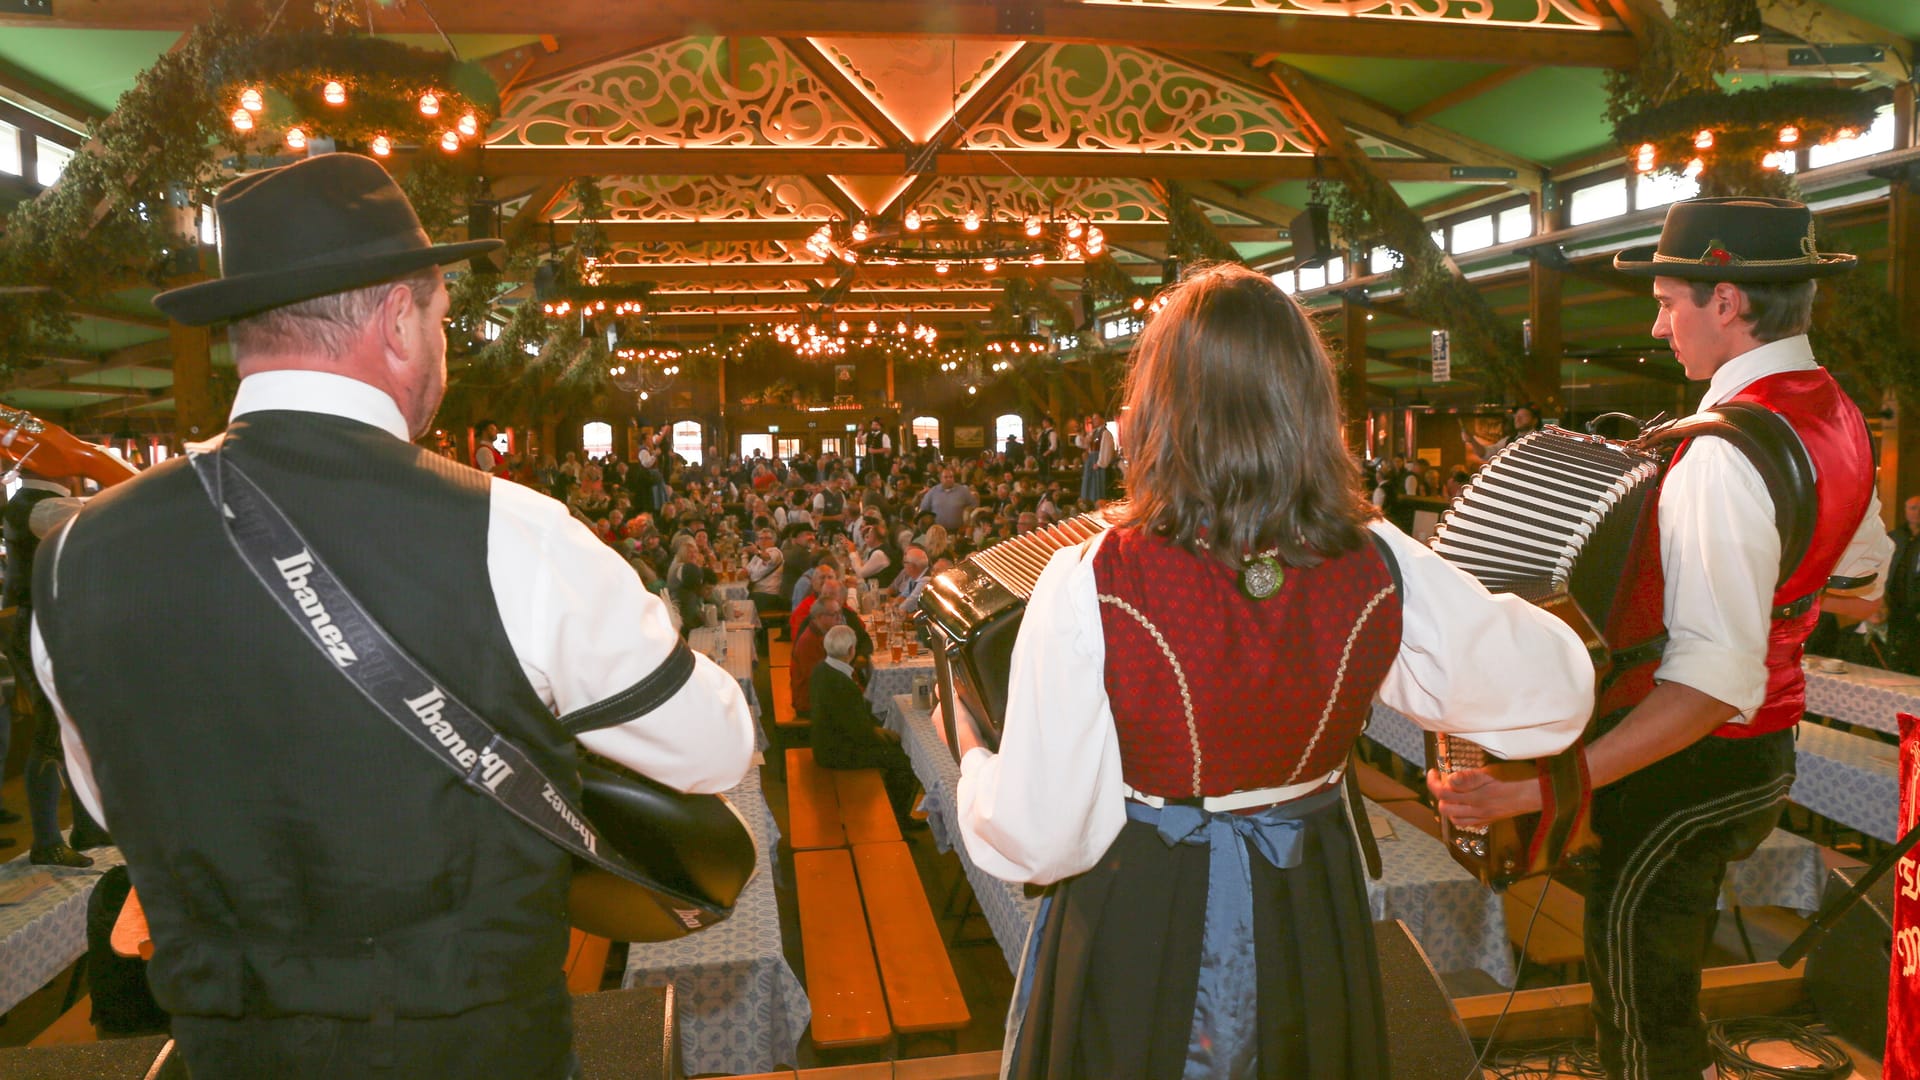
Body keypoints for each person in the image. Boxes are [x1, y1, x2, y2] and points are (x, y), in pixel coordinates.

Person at [35, 154, 755, 1078]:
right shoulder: (513, 532)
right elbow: (712, 747)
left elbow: (110, 802)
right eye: (444, 317)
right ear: (400, 320)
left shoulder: (74, 557)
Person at [954, 263, 1592, 1079]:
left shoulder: (1091, 578)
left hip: (1149, 907)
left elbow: (1041, 838)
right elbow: (1556, 695)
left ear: (1158, 411)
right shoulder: (1379, 557)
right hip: (1308, 900)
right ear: (1307, 407)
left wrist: (975, 760)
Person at [1433, 197, 1893, 1080]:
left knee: (1644, 1012)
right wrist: (1766, 605)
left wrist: (1537, 790)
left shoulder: (1721, 455)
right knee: (1657, 989)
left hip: (1691, 769)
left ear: (1728, 302)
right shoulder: (1832, 409)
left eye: (1671, 299)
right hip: (1765, 757)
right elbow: (1859, 574)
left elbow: (1709, 690)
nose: (1658, 321)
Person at [2, 463, 109, 863]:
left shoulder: (39, 503)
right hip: (37, 625)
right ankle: (46, 842)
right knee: (49, 730)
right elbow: (91, 526)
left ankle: (84, 828)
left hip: (44, 622)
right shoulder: (41, 507)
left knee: (67, 726)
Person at [809, 625, 920, 825]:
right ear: (851, 651)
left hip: (824, 744)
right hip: (838, 753)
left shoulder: (821, 669)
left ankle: (893, 813)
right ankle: (897, 820)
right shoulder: (843, 684)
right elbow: (860, 735)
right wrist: (882, 734)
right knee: (904, 761)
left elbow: (851, 723)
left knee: (893, 747)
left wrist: (877, 731)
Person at [1886, 495, 1920, 673]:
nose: (1917, 512)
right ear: (1906, 511)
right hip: (1892, 606)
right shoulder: (1895, 537)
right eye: (1913, 508)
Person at [918, 467, 978, 532]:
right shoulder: (933, 491)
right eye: (946, 477)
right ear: (941, 479)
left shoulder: (963, 491)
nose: (949, 479)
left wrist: (968, 511)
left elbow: (974, 504)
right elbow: (923, 508)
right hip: (938, 531)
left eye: (951, 477)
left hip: (958, 531)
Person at [1076, 411, 1115, 506]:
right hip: (1091, 459)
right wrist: (1080, 434)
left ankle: (1098, 504)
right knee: (1089, 485)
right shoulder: (1093, 433)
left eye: (1096, 418)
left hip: (1098, 461)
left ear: (1102, 419)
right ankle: (1088, 504)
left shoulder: (1105, 433)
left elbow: (1106, 449)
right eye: (1093, 419)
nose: (1094, 421)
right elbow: (1084, 443)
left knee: (1097, 486)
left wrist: (1100, 463)